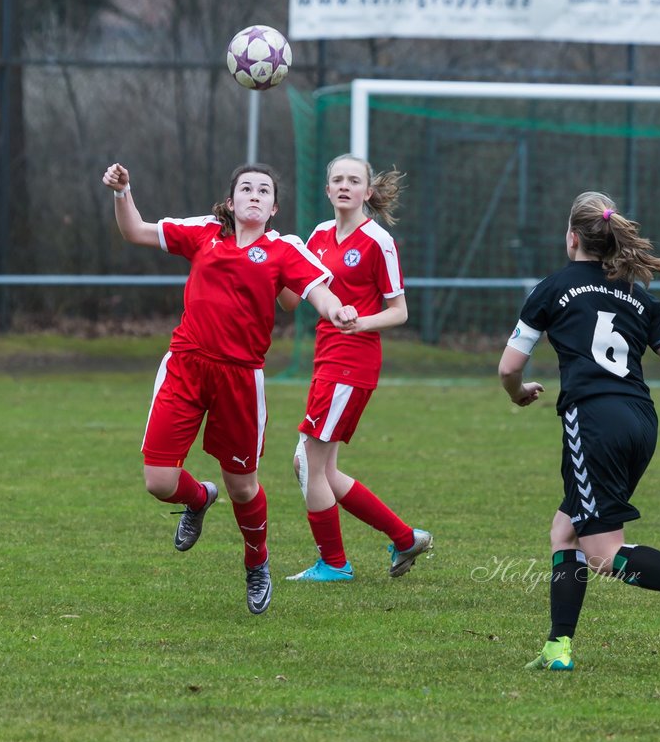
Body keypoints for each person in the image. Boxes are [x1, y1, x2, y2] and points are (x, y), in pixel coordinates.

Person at [498, 191, 660, 671]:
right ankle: (558, 647)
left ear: (572, 238)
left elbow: (508, 367)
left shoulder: (552, 288)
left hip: (592, 424)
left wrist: (517, 391)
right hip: (640, 422)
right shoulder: (639, 295)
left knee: (604, 553)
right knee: (565, 530)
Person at [102, 161, 357, 615]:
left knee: (242, 488)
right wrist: (123, 192)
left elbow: (318, 292)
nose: (255, 195)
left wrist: (336, 310)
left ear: (274, 206)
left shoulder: (284, 249)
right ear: (232, 201)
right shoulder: (203, 233)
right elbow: (136, 231)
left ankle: (257, 562)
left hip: (240, 379)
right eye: (246, 189)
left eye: (264, 191)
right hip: (185, 366)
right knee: (159, 482)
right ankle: (198, 498)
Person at [278, 154, 431, 582]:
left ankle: (335, 564)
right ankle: (404, 538)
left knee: (308, 462)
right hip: (325, 358)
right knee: (318, 467)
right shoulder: (319, 234)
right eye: (337, 180)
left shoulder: (377, 240)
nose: (344, 186)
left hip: (353, 362)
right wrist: (279, 268)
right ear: (327, 190)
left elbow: (398, 310)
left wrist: (359, 321)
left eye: (354, 180)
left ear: (367, 191)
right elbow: (293, 296)